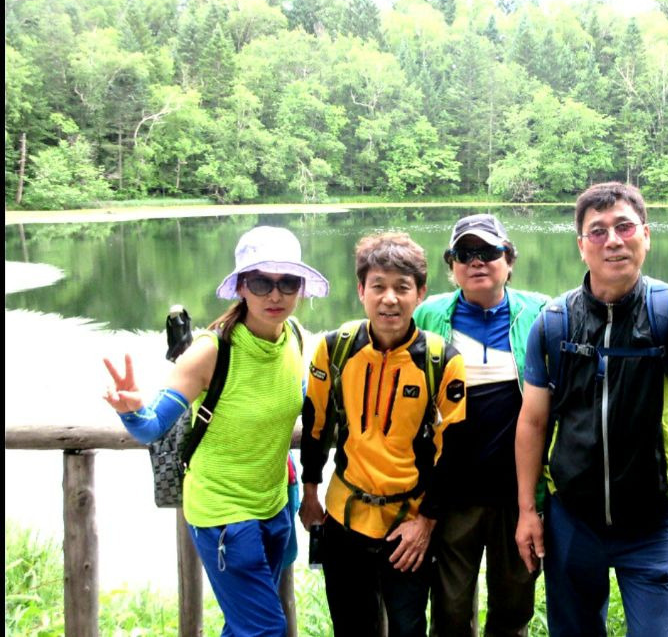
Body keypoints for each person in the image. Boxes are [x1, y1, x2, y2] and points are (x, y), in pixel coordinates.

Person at [514, 182, 668, 637]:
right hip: (573, 520)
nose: (613, 241)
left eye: (624, 227)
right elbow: (533, 420)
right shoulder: (554, 322)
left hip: (651, 522)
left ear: (646, 235)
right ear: (581, 245)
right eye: (598, 231)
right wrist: (529, 508)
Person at [103, 225, 329, 636]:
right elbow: (152, 427)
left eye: (287, 282)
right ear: (241, 286)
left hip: (274, 504)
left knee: (244, 626)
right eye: (260, 282)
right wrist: (132, 410)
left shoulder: (295, 337)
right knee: (265, 629)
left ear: (300, 288)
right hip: (223, 513)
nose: (275, 295)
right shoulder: (210, 350)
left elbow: (298, 400)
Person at [299, 232, 467, 637]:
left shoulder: (441, 359)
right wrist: (309, 492)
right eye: (378, 286)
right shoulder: (335, 348)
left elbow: (453, 449)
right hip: (344, 517)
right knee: (351, 627)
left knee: (408, 628)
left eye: (402, 288)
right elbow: (316, 423)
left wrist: (426, 521)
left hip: (407, 525)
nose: (389, 299)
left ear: (420, 293)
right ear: (361, 291)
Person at [414, 214, 549, 637]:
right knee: (450, 612)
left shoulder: (541, 313)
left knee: (513, 609)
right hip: (454, 495)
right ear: (451, 266)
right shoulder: (428, 315)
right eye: (464, 253)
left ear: (509, 260)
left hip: (518, 495)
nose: (476, 261)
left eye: (488, 251)